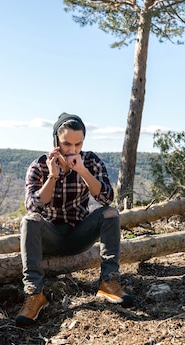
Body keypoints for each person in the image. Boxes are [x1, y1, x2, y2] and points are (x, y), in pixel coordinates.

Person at [15, 112, 134, 327]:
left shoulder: (90, 161)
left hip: (79, 233)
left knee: (110, 213)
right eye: (66, 144)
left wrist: (82, 170)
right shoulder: (39, 166)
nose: (72, 150)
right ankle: (35, 294)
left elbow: (106, 198)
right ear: (55, 141)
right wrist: (53, 176)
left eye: (78, 144)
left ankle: (109, 282)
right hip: (50, 236)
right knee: (29, 220)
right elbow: (32, 205)